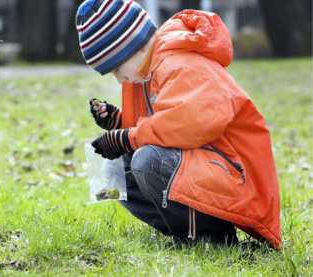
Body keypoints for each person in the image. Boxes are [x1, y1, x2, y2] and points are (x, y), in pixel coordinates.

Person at [76, 0, 281, 248]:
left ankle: (209, 236)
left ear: (132, 48)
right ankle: (183, 231)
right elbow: (158, 125)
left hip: (237, 176)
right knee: (113, 169)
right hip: (207, 165)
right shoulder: (148, 70)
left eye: (117, 69)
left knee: (147, 160)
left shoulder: (181, 63)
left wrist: (126, 138)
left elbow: (186, 125)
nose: (119, 79)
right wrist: (117, 122)